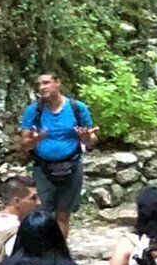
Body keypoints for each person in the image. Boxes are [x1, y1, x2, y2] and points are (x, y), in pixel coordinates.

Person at [18, 72, 98, 238]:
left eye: (46, 83)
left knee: (63, 215)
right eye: (39, 84)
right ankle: (42, 255)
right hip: (43, 168)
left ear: (58, 83)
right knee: (42, 214)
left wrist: (86, 138)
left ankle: (59, 255)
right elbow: (24, 145)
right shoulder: (34, 111)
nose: (42, 87)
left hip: (72, 166)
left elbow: (92, 139)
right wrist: (36, 140)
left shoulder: (77, 108)